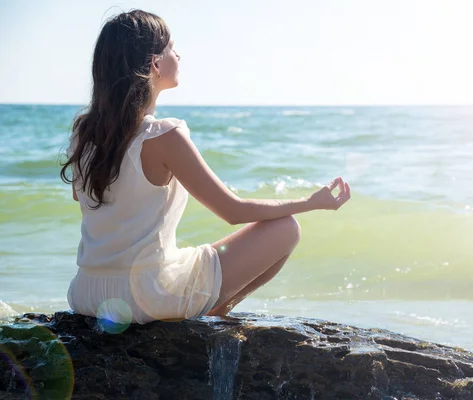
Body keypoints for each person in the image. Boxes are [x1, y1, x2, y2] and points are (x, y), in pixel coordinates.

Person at [60, 9, 351, 325]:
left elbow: (86, 202)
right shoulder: (163, 135)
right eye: (171, 48)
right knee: (286, 228)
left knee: (187, 258)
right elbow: (233, 210)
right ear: (155, 64)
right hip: (146, 296)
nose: (178, 55)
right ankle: (216, 312)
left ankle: (208, 308)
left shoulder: (84, 133)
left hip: (87, 293)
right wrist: (311, 202)